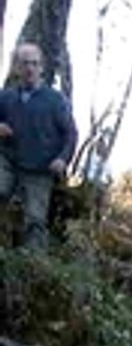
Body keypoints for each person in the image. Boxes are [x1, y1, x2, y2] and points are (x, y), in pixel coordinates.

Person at [0, 42, 78, 251]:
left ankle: (32, 267)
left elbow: (70, 133)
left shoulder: (55, 100)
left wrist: (62, 158)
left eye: (35, 64)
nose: (30, 69)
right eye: (25, 63)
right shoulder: (6, 96)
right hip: (8, 160)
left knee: (34, 219)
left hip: (40, 168)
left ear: (42, 68)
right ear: (16, 67)